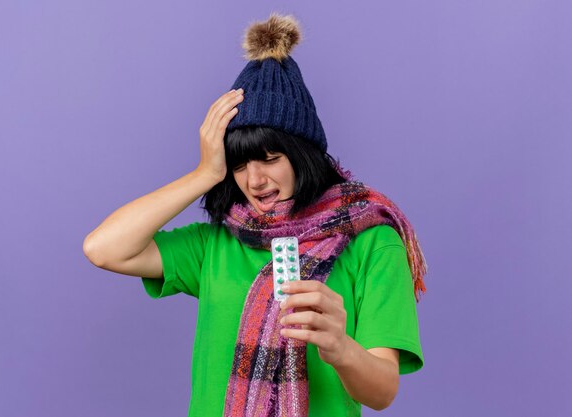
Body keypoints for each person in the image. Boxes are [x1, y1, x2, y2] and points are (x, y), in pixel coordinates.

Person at [83, 13, 427, 417]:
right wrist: (204, 174)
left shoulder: (373, 240)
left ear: (303, 155)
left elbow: (382, 392)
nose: (255, 179)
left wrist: (339, 345)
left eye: (270, 158)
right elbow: (104, 248)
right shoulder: (218, 242)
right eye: (240, 164)